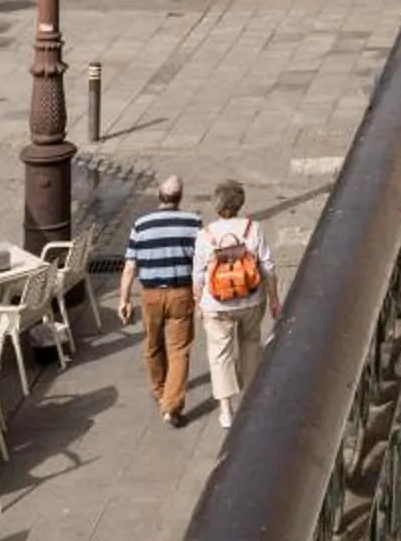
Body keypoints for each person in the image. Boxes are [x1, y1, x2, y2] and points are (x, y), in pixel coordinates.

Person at [192, 179, 280, 428]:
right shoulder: (253, 229)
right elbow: (268, 267)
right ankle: (250, 399)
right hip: (251, 299)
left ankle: (225, 410)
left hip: (216, 305)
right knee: (251, 344)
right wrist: (274, 299)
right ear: (240, 203)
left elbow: (198, 275)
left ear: (216, 206)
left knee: (220, 354)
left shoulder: (205, 235)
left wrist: (199, 303)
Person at [118, 174, 204, 427]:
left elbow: (130, 266)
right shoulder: (193, 223)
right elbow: (199, 263)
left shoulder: (141, 225)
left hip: (151, 294)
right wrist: (201, 298)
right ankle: (171, 405)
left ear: (159, 195)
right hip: (181, 292)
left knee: (152, 344)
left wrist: (124, 298)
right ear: (180, 197)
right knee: (180, 350)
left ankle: (160, 391)